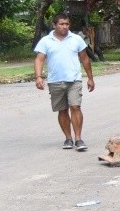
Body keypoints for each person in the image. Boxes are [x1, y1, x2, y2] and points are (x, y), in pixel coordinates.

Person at [33, 12, 96, 151]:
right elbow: (39, 59)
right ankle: (68, 138)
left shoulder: (76, 39)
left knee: (75, 107)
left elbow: (85, 58)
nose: (65, 27)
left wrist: (90, 78)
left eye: (67, 24)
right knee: (62, 110)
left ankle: (78, 139)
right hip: (55, 81)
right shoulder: (46, 41)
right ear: (54, 25)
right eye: (61, 24)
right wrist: (38, 77)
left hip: (74, 80)